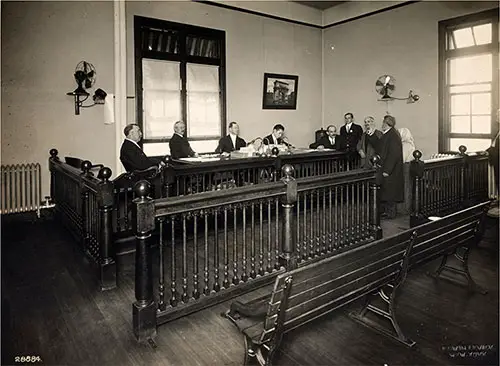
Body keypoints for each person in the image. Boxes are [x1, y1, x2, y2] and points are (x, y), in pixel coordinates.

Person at [377, 115, 404, 219]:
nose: (382, 125)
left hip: (391, 170)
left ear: (387, 124)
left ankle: (390, 213)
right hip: (387, 168)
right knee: (387, 191)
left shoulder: (393, 135)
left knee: (390, 192)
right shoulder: (389, 134)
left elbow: (394, 154)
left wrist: (387, 170)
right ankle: (386, 212)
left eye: (383, 123)